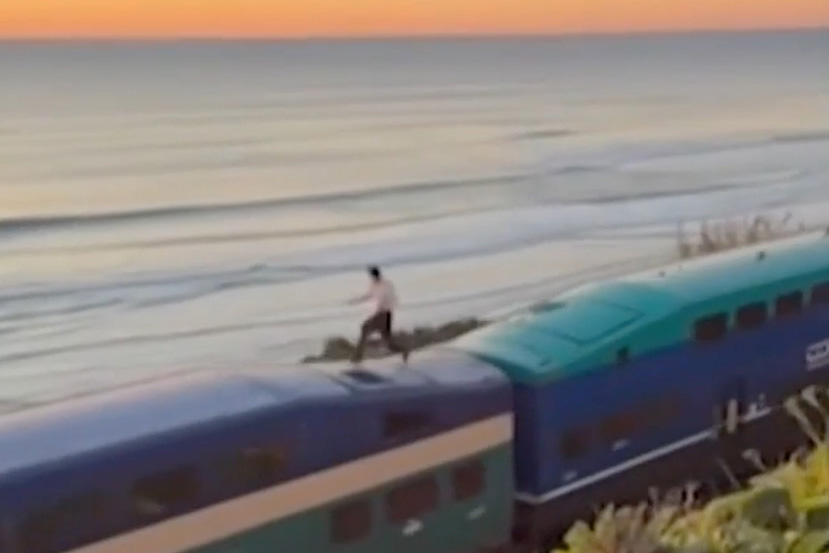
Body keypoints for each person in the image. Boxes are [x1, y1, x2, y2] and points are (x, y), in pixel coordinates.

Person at [347, 265, 409, 364]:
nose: (372, 276)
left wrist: (384, 307)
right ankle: (403, 350)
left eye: (373, 274)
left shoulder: (386, 284)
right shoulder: (374, 285)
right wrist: (355, 301)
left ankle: (358, 356)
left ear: (377, 273)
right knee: (387, 342)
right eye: (372, 274)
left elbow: (391, 298)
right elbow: (369, 295)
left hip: (385, 313)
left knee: (365, 327)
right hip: (381, 313)